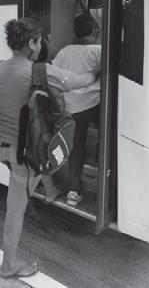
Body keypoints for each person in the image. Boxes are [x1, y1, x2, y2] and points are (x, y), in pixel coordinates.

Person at [0, 17, 96, 278]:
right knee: (16, 209)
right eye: (39, 42)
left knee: (32, 175)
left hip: (0, 147)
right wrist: (97, 73)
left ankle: (51, 190)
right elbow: (76, 81)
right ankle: (9, 265)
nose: (41, 47)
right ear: (31, 44)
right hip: (21, 155)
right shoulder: (40, 72)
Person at [52, 14, 101, 207]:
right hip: (95, 106)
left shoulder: (64, 52)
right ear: (95, 32)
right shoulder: (99, 51)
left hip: (72, 108)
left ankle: (73, 191)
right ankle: (100, 160)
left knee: (76, 147)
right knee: (107, 133)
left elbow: (54, 74)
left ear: (74, 33)